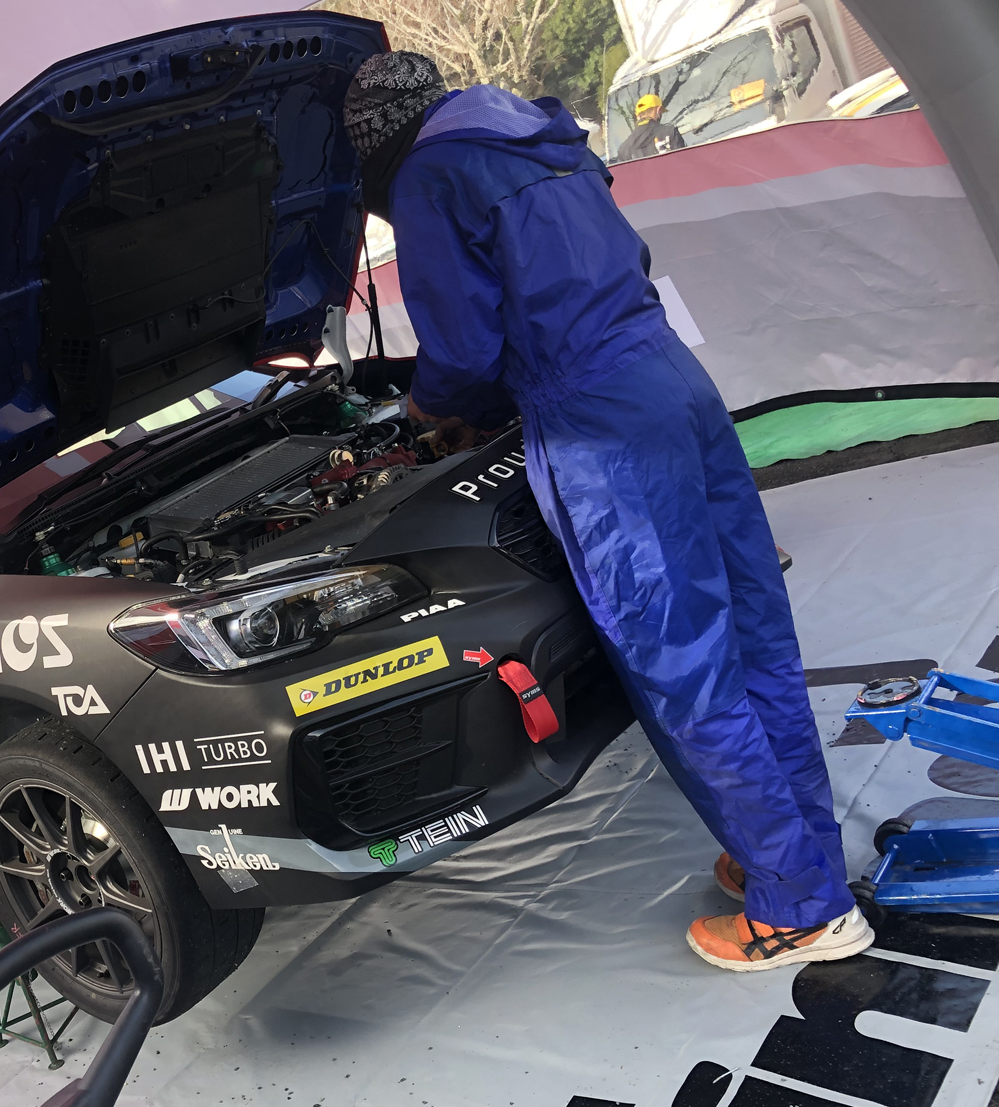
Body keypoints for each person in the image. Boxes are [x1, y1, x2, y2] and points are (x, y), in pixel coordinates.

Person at [342, 52, 872, 971]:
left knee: (683, 663)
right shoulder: (530, 135)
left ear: (377, 152)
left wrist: (430, 409)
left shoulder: (429, 175)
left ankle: (802, 907)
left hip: (600, 427)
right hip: (672, 381)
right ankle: (797, 855)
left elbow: (463, 348)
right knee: (754, 637)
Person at [616, 92, 686, 161]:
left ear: (638, 117)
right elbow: (684, 162)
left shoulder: (623, 150)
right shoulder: (670, 132)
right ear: (658, 110)